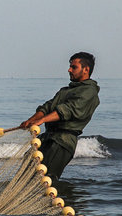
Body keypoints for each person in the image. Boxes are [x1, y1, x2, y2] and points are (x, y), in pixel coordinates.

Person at [20, 52, 100, 182]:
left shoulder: (89, 91)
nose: (69, 70)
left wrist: (42, 120)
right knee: (26, 172)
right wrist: (32, 120)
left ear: (86, 70)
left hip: (62, 143)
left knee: (44, 180)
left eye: (74, 67)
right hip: (48, 138)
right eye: (70, 66)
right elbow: (47, 107)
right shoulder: (65, 91)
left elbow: (68, 110)